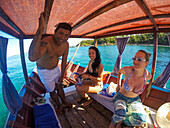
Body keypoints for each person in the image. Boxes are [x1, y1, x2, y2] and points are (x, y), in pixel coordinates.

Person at [28, 12, 72, 113]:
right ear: (55, 32)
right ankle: (59, 105)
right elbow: (32, 57)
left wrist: (62, 74)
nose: (63, 38)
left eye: (66, 35)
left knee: (60, 85)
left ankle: (64, 101)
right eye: (61, 33)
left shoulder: (66, 44)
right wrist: (40, 29)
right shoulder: (46, 42)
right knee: (52, 91)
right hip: (45, 72)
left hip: (56, 69)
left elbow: (64, 60)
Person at [109, 50, 152, 128]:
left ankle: (122, 121)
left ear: (146, 63)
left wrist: (141, 101)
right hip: (120, 97)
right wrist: (118, 85)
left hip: (134, 100)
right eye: (134, 58)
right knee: (120, 114)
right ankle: (113, 121)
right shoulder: (128, 70)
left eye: (139, 59)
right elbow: (119, 72)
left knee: (141, 120)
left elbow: (145, 89)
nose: (135, 61)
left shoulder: (148, 76)